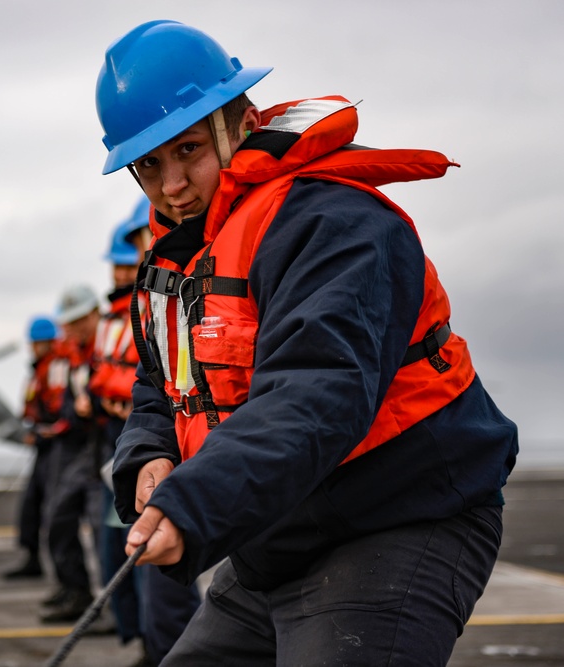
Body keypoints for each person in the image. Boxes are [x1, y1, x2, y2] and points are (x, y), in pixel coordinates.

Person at [95, 20, 518, 665]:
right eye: (148, 166)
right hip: (281, 531)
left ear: (239, 124)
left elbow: (320, 390)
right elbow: (163, 386)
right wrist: (149, 457)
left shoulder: (334, 224)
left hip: (399, 515)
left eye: (186, 152)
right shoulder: (178, 261)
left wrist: (195, 501)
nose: (170, 185)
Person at [89, 198, 201, 666]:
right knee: (125, 550)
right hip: (141, 437)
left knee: (160, 568)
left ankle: (167, 649)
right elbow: (151, 380)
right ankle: (153, 646)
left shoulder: (182, 290)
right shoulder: (148, 302)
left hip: (174, 439)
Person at [40, 284, 105, 623]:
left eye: (81, 319)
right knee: (59, 517)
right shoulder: (73, 357)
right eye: (70, 322)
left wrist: (89, 407)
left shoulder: (108, 347)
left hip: (103, 445)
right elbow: (66, 403)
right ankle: (77, 591)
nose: (75, 327)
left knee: (102, 528)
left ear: (96, 313)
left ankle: (110, 607)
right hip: (79, 446)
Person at [3, 315, 70, 580]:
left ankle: (68, 581)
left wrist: (45, 432)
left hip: (57, 446)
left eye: (40, 343)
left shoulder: (57, 367)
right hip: (43, 444)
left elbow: (59, 408)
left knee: (57, 512)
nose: (35, 348)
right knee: (31, 506)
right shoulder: (38, 370)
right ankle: (32, 558)